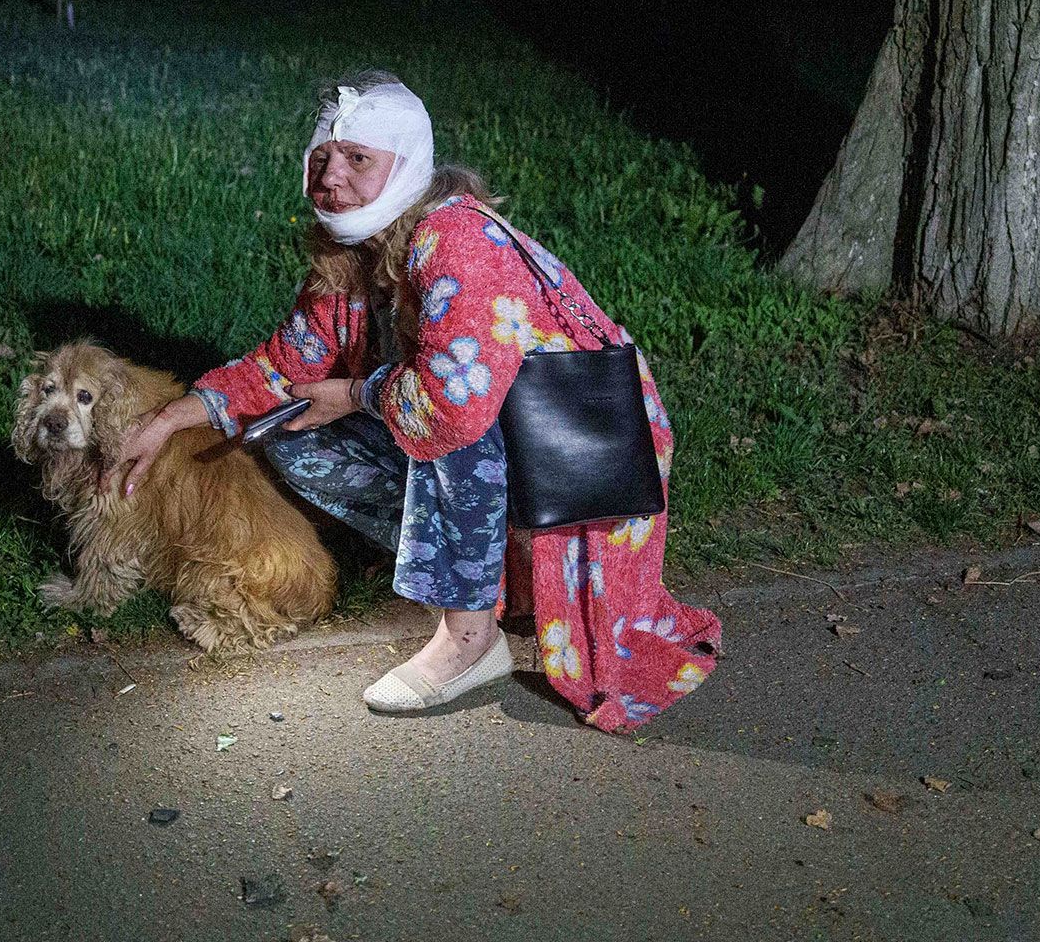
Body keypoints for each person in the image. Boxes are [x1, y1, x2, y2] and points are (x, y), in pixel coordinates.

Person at [107, 74, 722, 730]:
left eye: (358, 160)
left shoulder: (453, 238)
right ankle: (495, 580)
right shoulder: (354, 254)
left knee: (445, 427)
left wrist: (353, 392)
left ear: (408, 165)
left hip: (588, 450)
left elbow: (455, 406)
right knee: (291, 427)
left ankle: (468, 637)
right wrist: (173, 415)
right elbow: (288, 364)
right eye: (322, 158)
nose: (331, 177)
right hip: (515, 447)